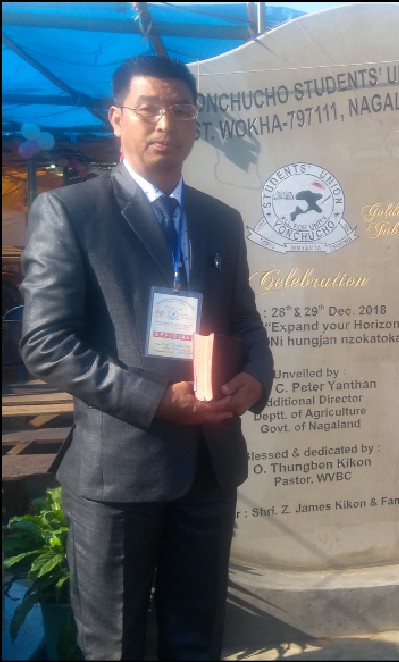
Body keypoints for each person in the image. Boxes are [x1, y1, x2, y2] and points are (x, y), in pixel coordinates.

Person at [19, 55, 274, 660]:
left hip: (209, 467)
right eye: (149, 108)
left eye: (181, 109)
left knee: (198, 633)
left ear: (196, 121)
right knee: (115, 643)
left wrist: (256, 380)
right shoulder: (71, 213)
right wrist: (156, 399)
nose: (166, 122)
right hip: (118, 472)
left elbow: (245, 321)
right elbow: (45, 343)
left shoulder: (220, 219)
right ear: (116, 118)